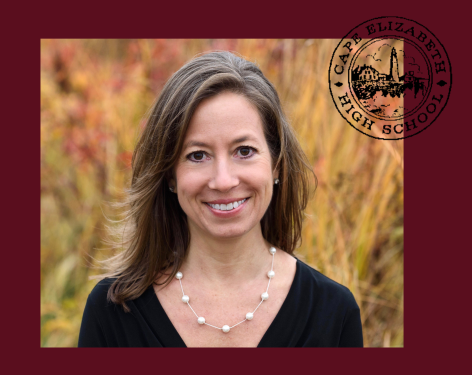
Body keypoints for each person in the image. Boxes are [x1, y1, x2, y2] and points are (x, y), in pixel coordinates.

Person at [78, 51, 363, 347]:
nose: (224, 181)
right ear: (170, 176)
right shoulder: (112, 311)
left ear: (276, 163)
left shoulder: (334, 312)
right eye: (197, 155)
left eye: (244, 151)